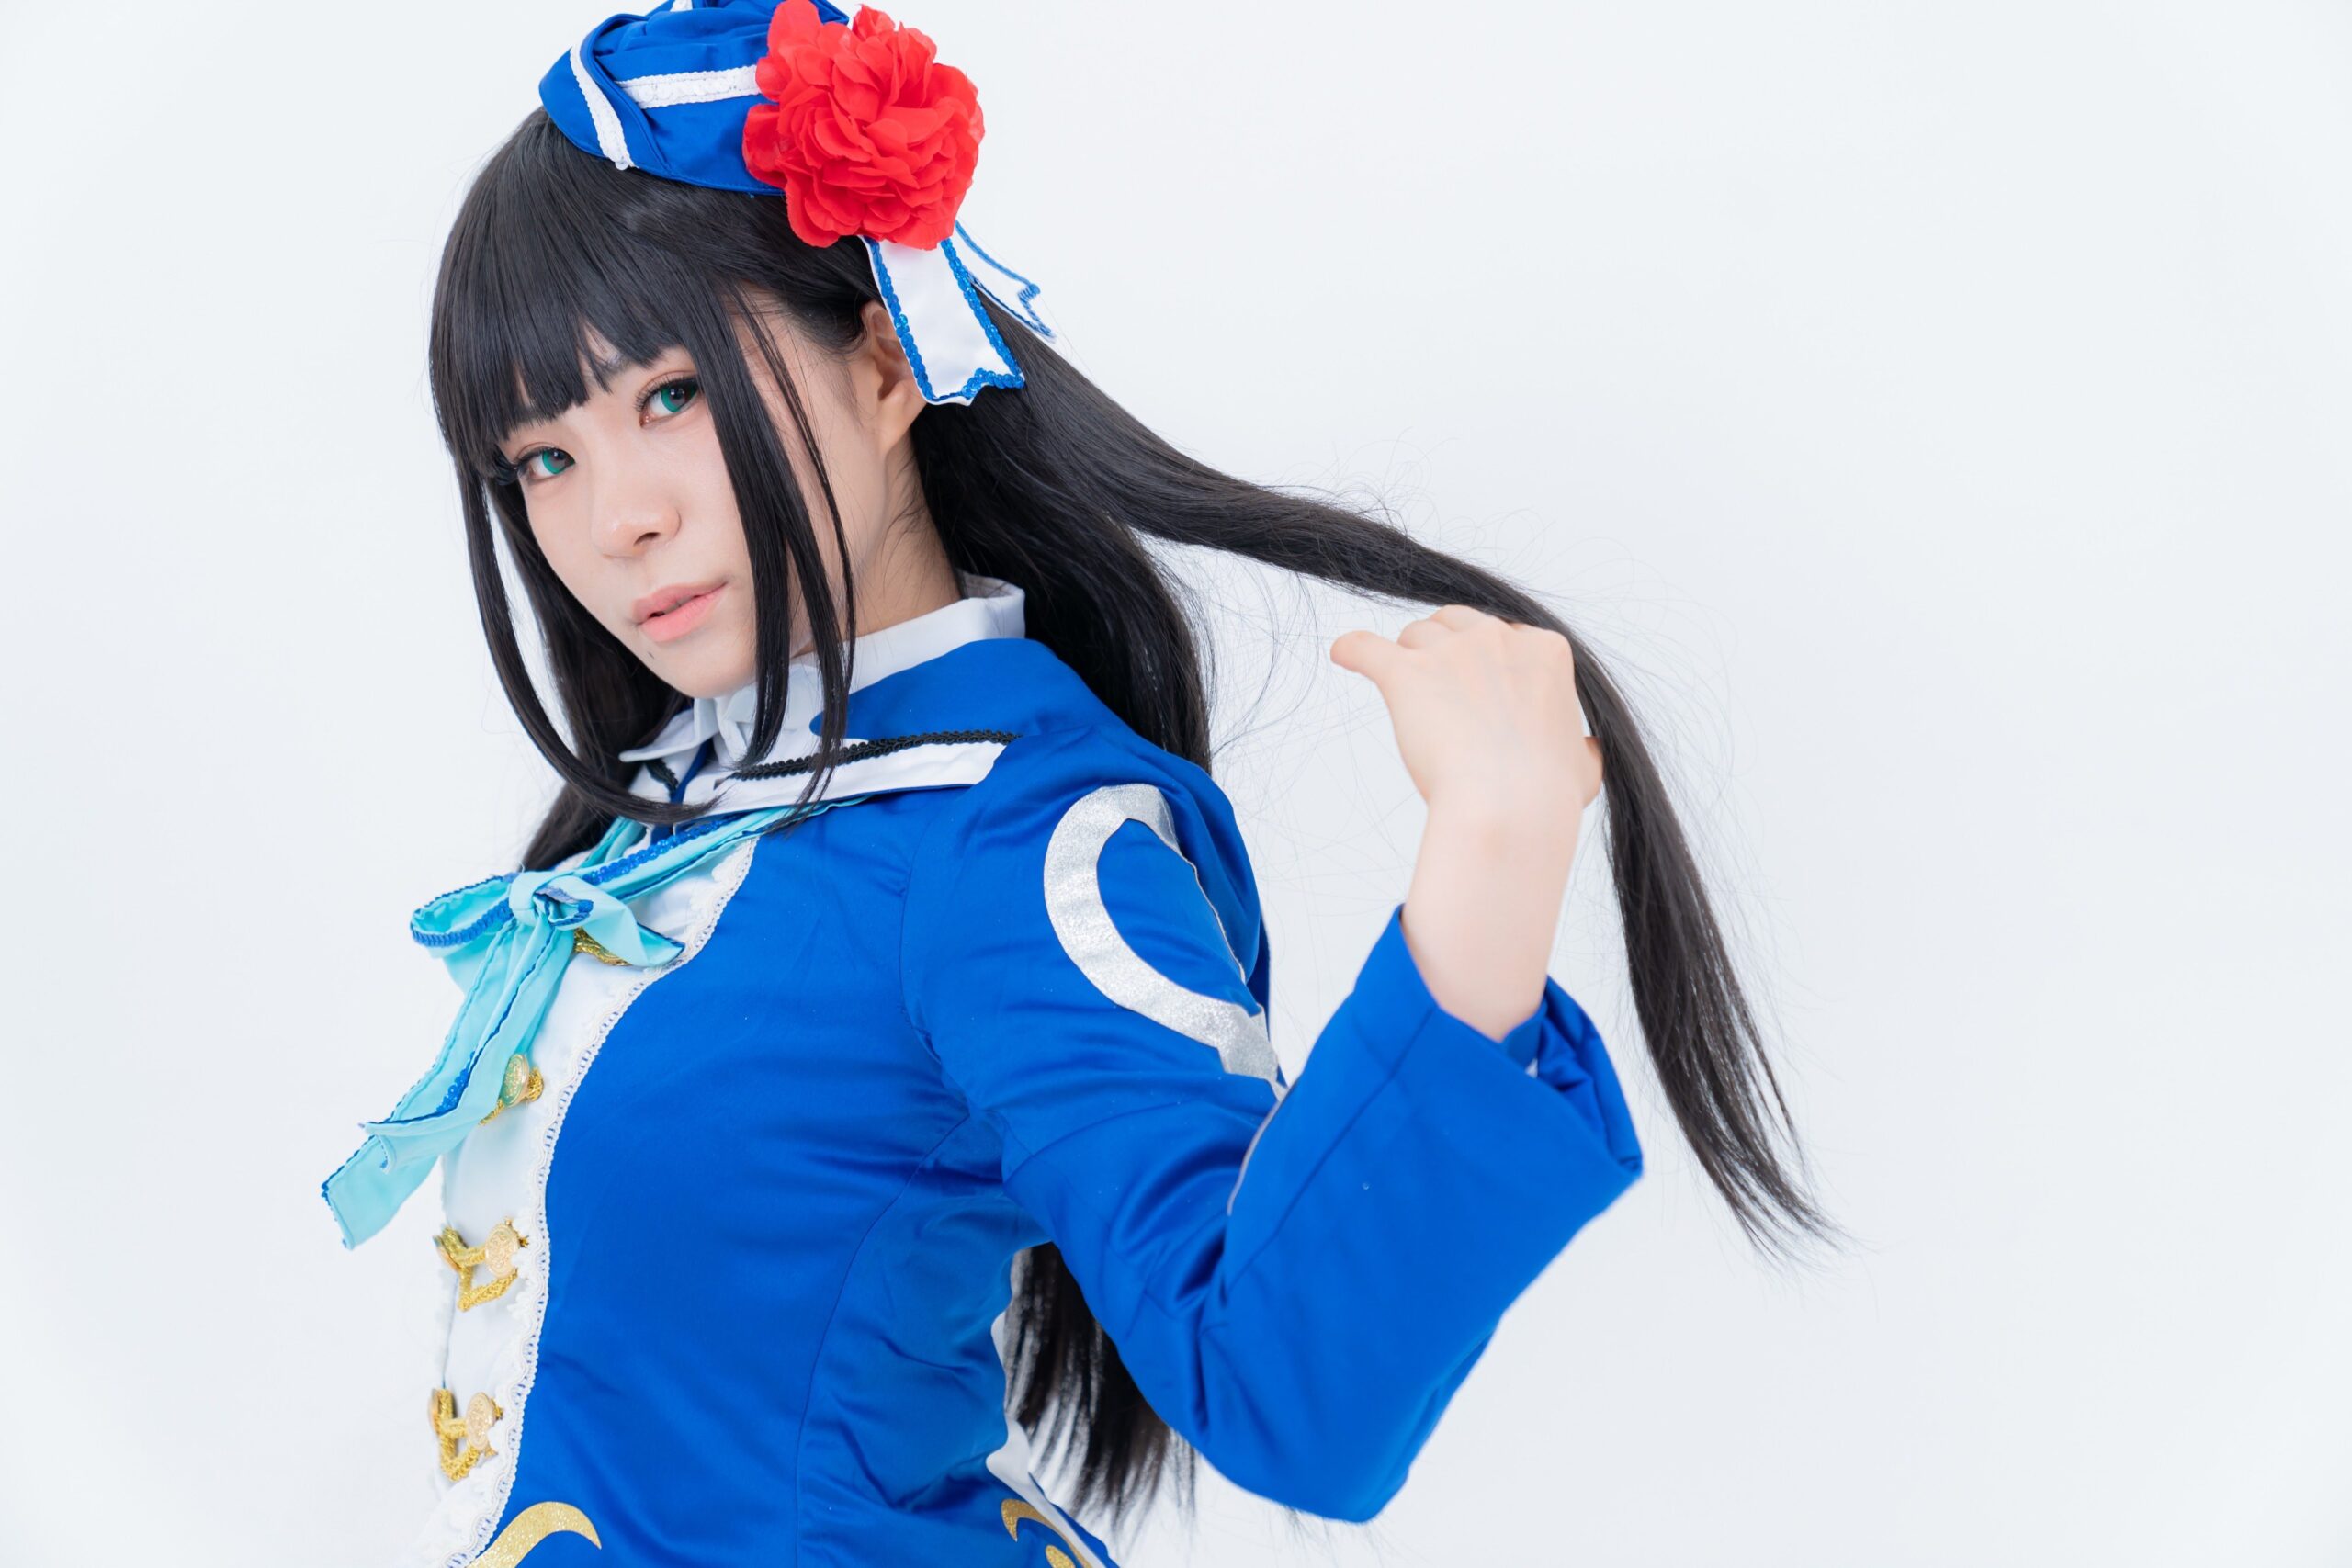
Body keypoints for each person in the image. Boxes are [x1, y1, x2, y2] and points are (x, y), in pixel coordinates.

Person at [322, 2, 1833, 1562]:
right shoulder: (701, 807)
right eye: (543, 459)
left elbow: (1285, 1388)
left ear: (888, 356)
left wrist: (1496, 859)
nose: (613, 520)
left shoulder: (1015, 841)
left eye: (671, 395)